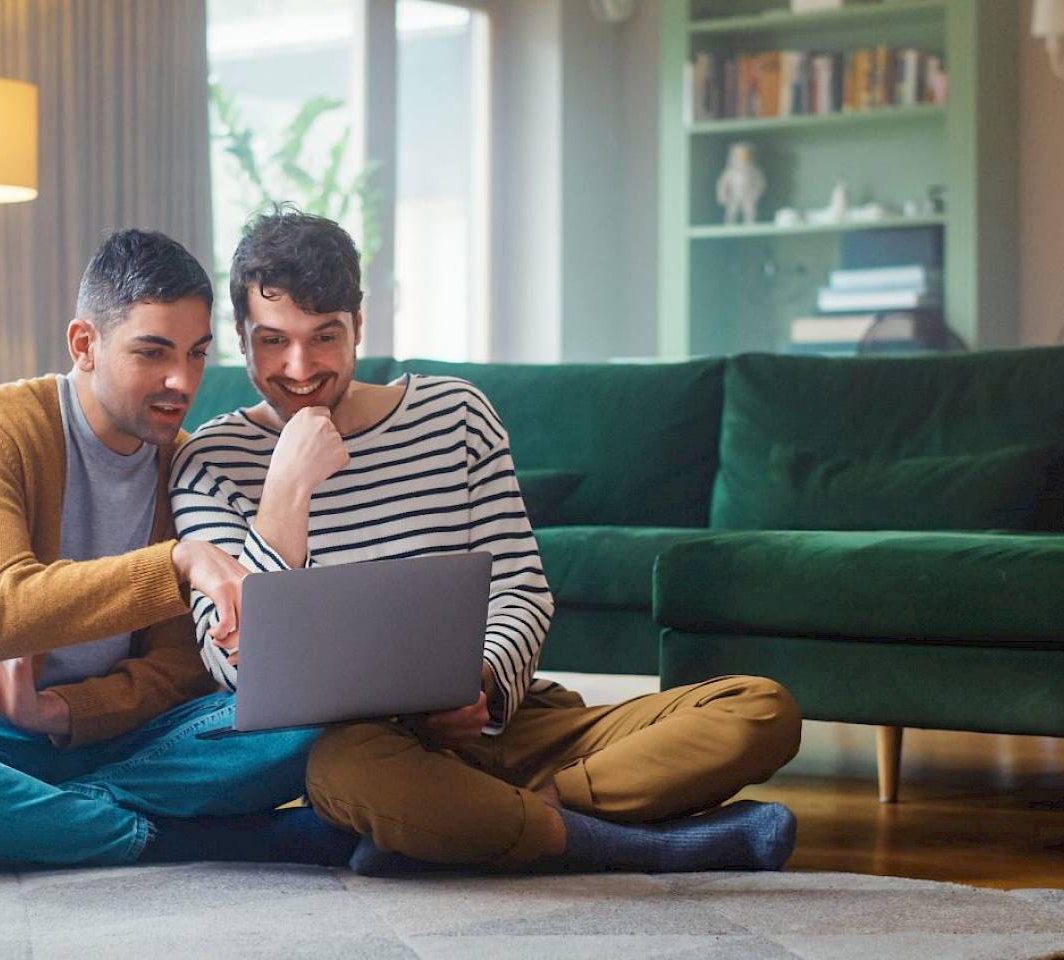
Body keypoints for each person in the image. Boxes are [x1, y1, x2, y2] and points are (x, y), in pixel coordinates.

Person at [171, 208, 803, 875]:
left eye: (324, 336)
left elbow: (522, 590)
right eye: (273, 341)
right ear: (241, 339)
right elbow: (236, 669)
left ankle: (489, 823)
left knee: (761, 710)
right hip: (368, 749)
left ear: (358, 326)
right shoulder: (210, 461)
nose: (299, 366)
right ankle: (626, 842)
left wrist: (486, 684)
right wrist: (285, 491)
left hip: (510, 722)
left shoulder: (456, 415)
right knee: (342, 773)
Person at [0, 229, 354, 874]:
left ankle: (14, 824)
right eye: (151, 352)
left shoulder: (184, 460)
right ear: (85, 345)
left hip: (116, 740)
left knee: (314, 719)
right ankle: (208, 841)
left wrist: (63, 711)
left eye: (195, 354)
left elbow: (179, 670)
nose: (179, 380)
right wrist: (177, 561)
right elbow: (1, 614)